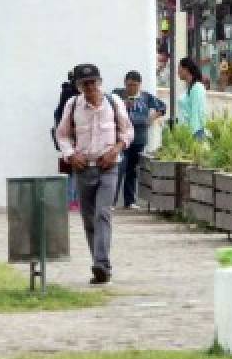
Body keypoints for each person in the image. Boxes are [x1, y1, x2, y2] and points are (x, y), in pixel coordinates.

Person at [55, 63, 132, 285]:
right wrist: (70, 154)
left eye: (93, 82)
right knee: (89, 220)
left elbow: (127, 132)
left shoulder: (113, 103)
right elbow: (62, 135)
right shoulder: (72, 106)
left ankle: (101, 264)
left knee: (103, 214)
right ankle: (99, 263)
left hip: (109, 167)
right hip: (83, 168)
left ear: (100, 82)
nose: (90, 87)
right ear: (78, 86)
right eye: (84, 83)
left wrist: (116, 150)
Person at [112, 70, 166, 210]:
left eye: (135, 85)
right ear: (125, 84)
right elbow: (108, 107)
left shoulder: (146, 97)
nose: (132, 88)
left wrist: (151, 118)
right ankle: (111, 201)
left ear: (139, 85)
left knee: (132, 170)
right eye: (129, 85)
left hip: (139, 138)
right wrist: (123, 105)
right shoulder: (117, 95)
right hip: (122, 139)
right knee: (119, 167)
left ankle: (129, 201)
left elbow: (162, 107)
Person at [51, 70, 80, 210]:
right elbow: (64, 117)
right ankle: (71, 200)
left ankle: (72, 200)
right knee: (72, 169)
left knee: (72, 169)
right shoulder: (70, 95)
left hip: (73, 134)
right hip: (71, 134)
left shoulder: (68, 93)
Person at [177, 57, 208, 139]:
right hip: (186, 132)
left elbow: (196, 113)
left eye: (179, 68)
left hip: (195, 133)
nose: (178, 72)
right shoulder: (190, 87)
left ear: (186, 69)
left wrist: (192, 136)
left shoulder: (197, 88)